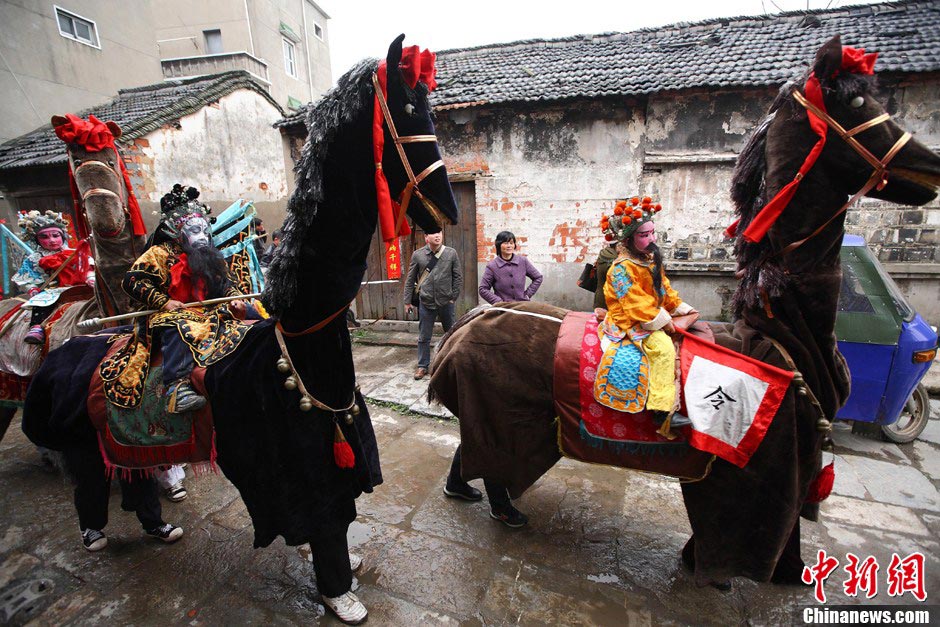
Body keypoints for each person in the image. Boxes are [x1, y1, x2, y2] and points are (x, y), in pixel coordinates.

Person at [122, 184, 249, 414]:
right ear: (177, 233)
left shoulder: (211, 257)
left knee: (250, 317)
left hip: (209, 312)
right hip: (169, 313)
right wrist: (163, 302)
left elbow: (228, 285)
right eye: (193, 231)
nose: (201, 237)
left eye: (204, 230)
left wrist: (235, 300)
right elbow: (132, 282)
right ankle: (177, 387)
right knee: (180, 324)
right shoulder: (159, 254)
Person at [594, 197, 695, 429]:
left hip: (650, 313)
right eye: (644, 235)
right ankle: (661, 411)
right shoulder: (620, 269)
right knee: (663, 349)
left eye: (652, 233)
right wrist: (664, 321)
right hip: (631, 321)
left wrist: (682, 308)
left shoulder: (650, 260)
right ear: (629, 240)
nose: (651, 239)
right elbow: (635, 305)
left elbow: (664, 289)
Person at [12, 210, 95, 344]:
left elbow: (87, 268)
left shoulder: (75, 253)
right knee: (40, 301)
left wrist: (90, 278)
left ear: (62, 236)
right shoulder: (35, 258)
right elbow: (29, 277)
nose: (51, 240)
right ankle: (37, 327)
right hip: (54, 290)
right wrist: (32, 289)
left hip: (79, 286)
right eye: (45, 237)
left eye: (55, 235)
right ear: (37, 240)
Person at [403, 231, 462, 380]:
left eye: (439, 233)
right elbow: (410, 280)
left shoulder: (451, 253)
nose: (437, 236)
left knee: (451, 334)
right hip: (426, 302)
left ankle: (454, 362)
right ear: (426, 237)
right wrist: (407, 301)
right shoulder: (418, 255)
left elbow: (457, 277)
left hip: (446, 302)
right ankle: (422, 366)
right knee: (424, 336)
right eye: (433, 233)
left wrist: (453, 297)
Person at [478, 231, 543, 305]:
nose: (509, 246)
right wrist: (498, 302)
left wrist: (527, 295)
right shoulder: (492, 266)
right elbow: (483, 289)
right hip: (503, 308)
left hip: (522, 305)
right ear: (499, 245)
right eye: (505, 243)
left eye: (511, 243)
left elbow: (538, 277)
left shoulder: (523, 261)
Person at [592, 242, 619, 311]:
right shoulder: (614, 261)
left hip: (599, 298)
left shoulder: (603, 254)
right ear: (618, 246)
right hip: (609, 300)